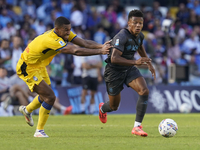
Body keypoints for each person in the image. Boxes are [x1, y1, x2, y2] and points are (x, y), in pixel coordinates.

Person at [16, 16, 111, 138]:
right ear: (57, 29)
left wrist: (101, 46)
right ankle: (39, 131)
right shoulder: (51, 40)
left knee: (45, 95)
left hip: (39, 65)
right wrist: (100, 51)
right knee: (50, 97)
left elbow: (84, 43)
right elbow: (75, 51)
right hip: (27, 67)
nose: (68, 32)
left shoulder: (63, 33)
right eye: (66, 30)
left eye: (69, 29)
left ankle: (27, 110)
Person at [98, 10, 156, 137]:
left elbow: (140, 47)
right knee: (114, 107)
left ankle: (137, 126)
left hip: (129, 69)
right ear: (129, 23)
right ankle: (102, 108)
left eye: (140, 23)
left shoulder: (140, 36)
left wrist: (149, 64)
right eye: (135, 23)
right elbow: (114, 58)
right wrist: (135, 62)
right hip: (114, 71)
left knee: (144, 91)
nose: (138, 26)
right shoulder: (121, 36)